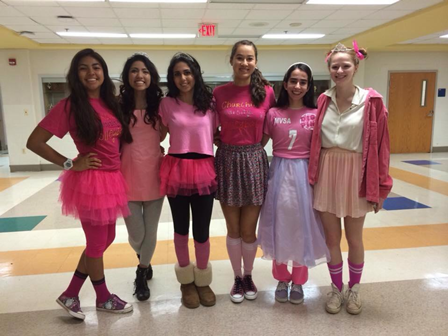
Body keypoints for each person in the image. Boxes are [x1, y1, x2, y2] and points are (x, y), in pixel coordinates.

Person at [26, 48, 133, 320]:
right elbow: (35, 142)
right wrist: (70, 163)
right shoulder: (69, 106)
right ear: (76, 75)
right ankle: (103, 298)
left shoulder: (111, 103)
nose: (91, 72)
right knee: (97, 244)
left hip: (112, 178)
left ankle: (71, 293)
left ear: (104, 72)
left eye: (96, 66)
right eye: (83, 68)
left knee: (106, 238)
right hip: (91, 181)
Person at [308, 41, 393, 315]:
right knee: (332, 239)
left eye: (346, 65)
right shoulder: (323, 100)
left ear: (356, 67)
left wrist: (381, 188)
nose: (340, 70)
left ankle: (354, 290)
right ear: (329, 69)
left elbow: (381, 147)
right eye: (335, 66)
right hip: (328, 171)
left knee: (354, 239)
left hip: (357, 172)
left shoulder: (372, 101)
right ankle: (336, 290)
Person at [258, 62, 330, 305]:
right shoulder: (273, 114)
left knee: (302, 226)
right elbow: (257, 143)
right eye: (293, 81)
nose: (297, 86)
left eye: (303, 82)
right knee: (278, 223)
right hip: (278, 172)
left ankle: (299, 280)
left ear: (309, 85)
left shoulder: (315, 114)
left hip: (305, 174)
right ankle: (281, 277)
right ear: (285, 83)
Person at [213, 40, 276, 303]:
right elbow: (209, 124)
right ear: (231, 61)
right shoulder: (219, 93)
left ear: (256, 62)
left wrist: (252, 149)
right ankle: (237, 278)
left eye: (250, 58)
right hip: (227, 161)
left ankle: (248, 275)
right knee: (233, 228)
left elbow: (268, 129)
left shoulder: (268, 92)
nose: (245, 63)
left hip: (253, 162)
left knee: (249, 230)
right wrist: (221, 141)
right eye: (239, 58)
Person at [159, 52, 217, 309]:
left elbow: (217, 134)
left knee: (202, 230)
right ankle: (186, 281)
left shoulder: (210, 104)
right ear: (172, 78)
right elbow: (155, 133)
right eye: (177, 74)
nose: (183, 78)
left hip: (204, 168)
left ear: (195, 74)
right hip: (177, 169)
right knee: (181, 228)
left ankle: (203, 280)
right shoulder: (166, 104)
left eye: (187, 72)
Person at [119, 52, 165, 301]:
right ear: (127, 76)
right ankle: (144, 256)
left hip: (156, 175)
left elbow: (168, 133)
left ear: (151, 76)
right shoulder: (116, 106)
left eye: (145, 71)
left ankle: (142, 270)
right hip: (125, 177)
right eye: (135, 70)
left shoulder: (161, 106)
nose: (140, 75)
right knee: (137, 235)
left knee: (152, 230)